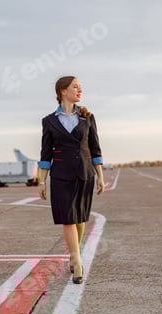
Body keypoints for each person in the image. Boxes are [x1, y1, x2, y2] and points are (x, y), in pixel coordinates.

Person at [37, 76, 105, 284]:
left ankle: (74, 254)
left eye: (80, 87)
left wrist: (101, 176)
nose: (79, 90)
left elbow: (95, 149)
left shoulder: (88, 118)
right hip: (60, 176)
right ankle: (76, 260)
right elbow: (45, 154)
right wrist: (42, 181)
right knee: (68, 218)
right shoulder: (48, 121)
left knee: (80, 218)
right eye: (75, 87)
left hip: (85, 174)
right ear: (63, 91)